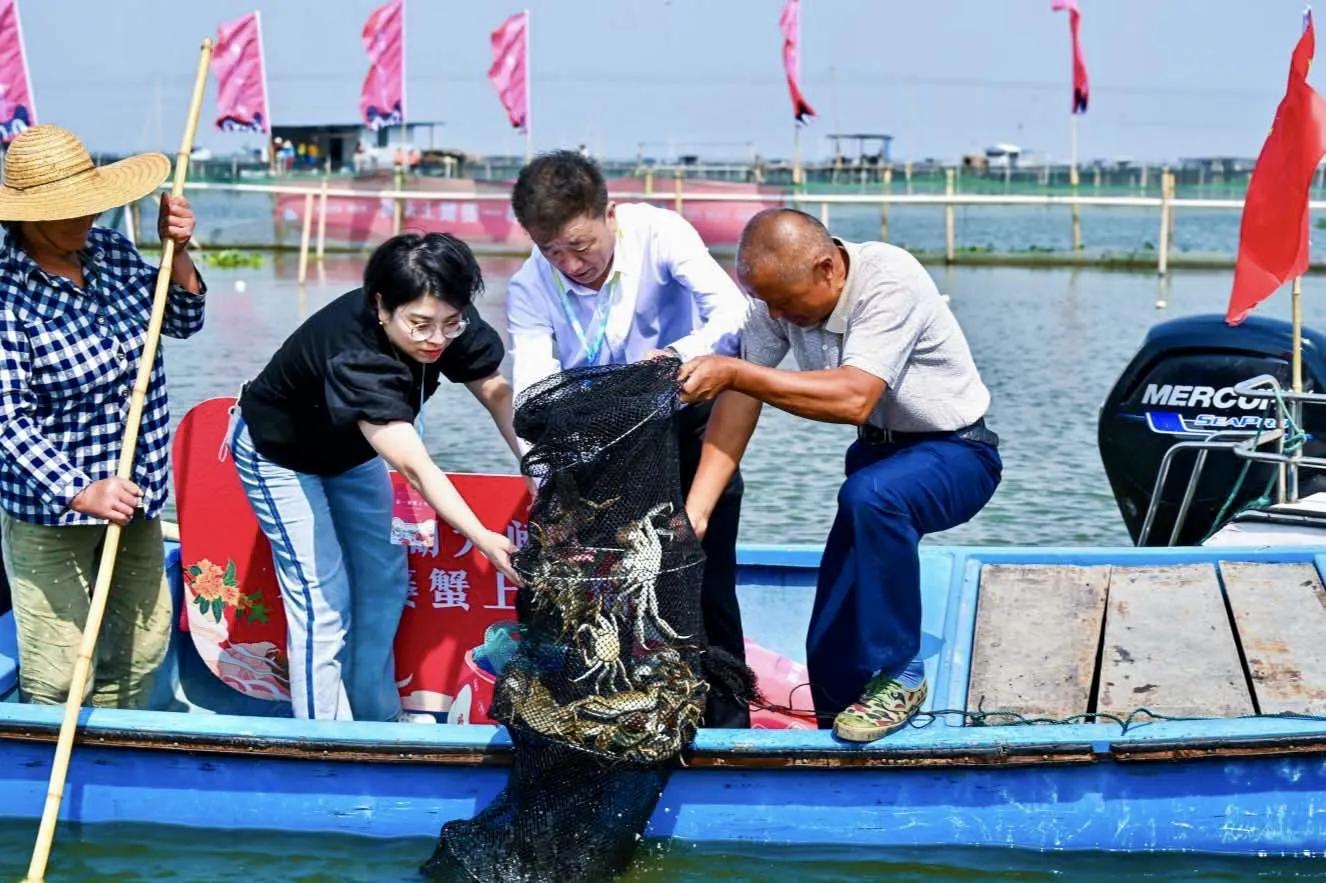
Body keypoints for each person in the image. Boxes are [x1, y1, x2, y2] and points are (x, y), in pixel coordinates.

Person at [678, 209, 1001, 742]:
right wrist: (697, 511)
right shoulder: (773, 299)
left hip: (958, 454)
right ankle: (832, 743)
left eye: (784, 302)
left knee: (872, 496)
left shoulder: (888, 278)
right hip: (874, 466)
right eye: (766, 303)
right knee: (830, 642)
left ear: (827, 268)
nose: (776, 314)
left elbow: (855, 397)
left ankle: (901, 672)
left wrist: (736, 371)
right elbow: (739, 401)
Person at [231, 232, 524, 722]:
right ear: (382, 306)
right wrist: (483, 538)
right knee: (322, 600)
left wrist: (535, 463)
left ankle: (378, 720)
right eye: (420, 326)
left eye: (450, 323)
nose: (436, 339)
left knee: (385, 582)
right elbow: (414, 466)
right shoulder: (356, 355)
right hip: (280, 455)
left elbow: (495, 391)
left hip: (350, 451)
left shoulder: (441, 313)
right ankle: (326, 741)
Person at [505, 150, 753, 728]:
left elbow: (734, 317)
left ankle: (726, 726)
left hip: (686, 422)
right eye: (552, 252)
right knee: (605, 592)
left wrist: (675, 356)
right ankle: (629, 721)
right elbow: (532, 397)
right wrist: (548, 489)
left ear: (609, 213)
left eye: (581, 246)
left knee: (703, 575)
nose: (571, 265)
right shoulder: (529, 287)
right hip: (599, 443)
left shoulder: (661, 234)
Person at [0, 124, 206, 707]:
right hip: (50, 508)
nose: (85, 219)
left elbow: (182, 321)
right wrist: (80, 489)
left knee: (140, 652)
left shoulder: (111, 252)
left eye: (89, 205)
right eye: (68, 212)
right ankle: (51, 757)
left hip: (136, 493)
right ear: (26, 218)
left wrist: (178, 253)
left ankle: (119, 747)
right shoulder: (6, 291)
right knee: (60, 672)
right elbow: (8, 420)